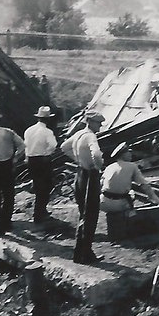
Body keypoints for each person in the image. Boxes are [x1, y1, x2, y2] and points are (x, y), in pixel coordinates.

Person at [67, 111, 106, 264]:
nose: (100, 126)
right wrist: (98, 166)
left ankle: (82, 253)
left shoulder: (78, 134)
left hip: (80, 173)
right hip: (90, 175)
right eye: (98, 123)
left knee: (84, 214)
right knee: (90, 215)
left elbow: (64, 147)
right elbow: (96, 154)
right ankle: (84, 255)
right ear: (89, 121)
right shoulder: (90, 136)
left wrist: (77, 159)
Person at [100, 142, 159, 212]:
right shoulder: (132, 166)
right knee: (131, 193)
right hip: (118, 205)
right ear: (123, 155)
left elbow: (102, 184)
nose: (131, 154)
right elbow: (145, 186)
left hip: (103, 203)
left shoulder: (109, 167)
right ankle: (129, 216)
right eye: (128, 152)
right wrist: (158, 201)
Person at [24, 106, 58, 222]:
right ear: (48, 119)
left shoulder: (29, 130)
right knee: (46, 186)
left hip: (31, 160)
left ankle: (40, 211)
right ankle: (39, 213)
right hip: (42, 160)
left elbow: (26, 146)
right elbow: (53, 145)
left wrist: (26, 157)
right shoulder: (47, 132)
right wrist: (46, 154)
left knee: (38, 185)